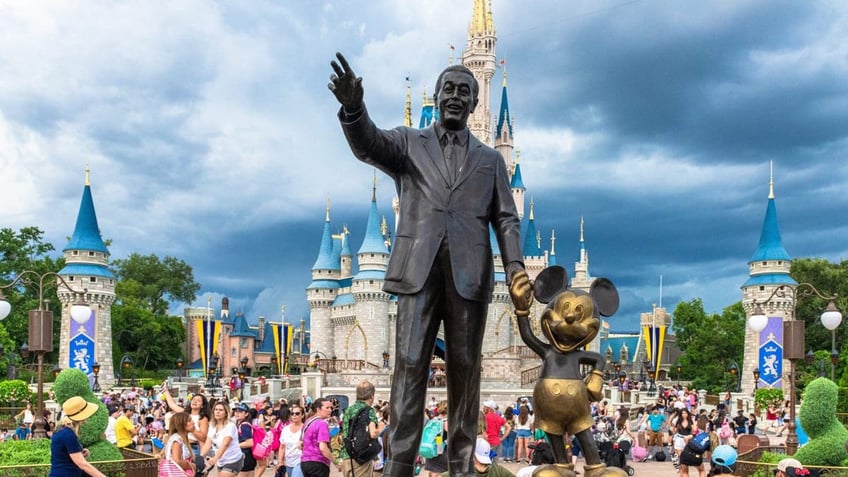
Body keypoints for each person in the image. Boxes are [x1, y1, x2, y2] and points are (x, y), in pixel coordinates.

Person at [329, 52, 528, 477]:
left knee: (465, 376)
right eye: (449, 89)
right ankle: (398, 467)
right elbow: (368, 144)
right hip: (417, 273)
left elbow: (507, 217)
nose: (456, 97)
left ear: (475, 104)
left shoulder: (491, 161)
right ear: (437, 97)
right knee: (408, 373)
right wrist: (353, 109)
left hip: (470, 277)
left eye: (465, 91)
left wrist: (514, 268)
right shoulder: (408, 143)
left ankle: (461, 468)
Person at [49, 396, 108, 477]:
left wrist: (79, 452)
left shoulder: (61, 430)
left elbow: (63, 456)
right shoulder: (68, 434)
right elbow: (82, 464)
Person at [341, 381, 386, 477]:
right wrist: (382, 427)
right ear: (372, 396)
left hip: (346, 456)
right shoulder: (369, 410)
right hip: (361, 458)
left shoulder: (348, 410)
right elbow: (373, 433)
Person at [201, 401, 245, 476]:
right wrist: (200, 457)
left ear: (226, 413)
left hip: (233, 459)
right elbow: (207, 444)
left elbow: (225, 444)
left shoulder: (230, 426)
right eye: (216, 409)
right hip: (221, 461)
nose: (217, 412)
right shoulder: (212, 426)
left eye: (221, 410)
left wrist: (215, 458)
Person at [301, 398, 335, 477]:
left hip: (305, 462)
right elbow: (323, 448)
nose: (330, 410)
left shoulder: (307, 422)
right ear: (318, 409)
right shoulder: (322, 423)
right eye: (327, 408)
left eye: (331, 408)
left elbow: (300, 444)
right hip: (318, 462)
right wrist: (335, 461)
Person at [163, 412, 197, 476]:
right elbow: (177, 461)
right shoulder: (177, 440)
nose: (193, 422)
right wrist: (191, 465)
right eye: (189, 420)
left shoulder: (179, 438)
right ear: (181, 424)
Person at [278, 403, 306, 477]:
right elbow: (282, 446)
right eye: (292, 413)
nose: (294, 415)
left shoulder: (305, 428)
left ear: (302, 415)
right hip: (288, 462)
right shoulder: (286, 429)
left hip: (301, 461)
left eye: (297, 413)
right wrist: (280, 462)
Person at [424, 400, 449, 477]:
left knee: (432, 473)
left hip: (431, 453)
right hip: (441, 454)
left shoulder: (432, 420)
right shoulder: (446, 422)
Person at [234, 403, 258, 477]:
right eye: (236, 411)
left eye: (240, 412)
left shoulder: (244, 425)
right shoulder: (246, 424)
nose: (237, 413)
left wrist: (234, 446)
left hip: (245, 456)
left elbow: (250, 443)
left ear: (246, 413)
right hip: (249, 456)